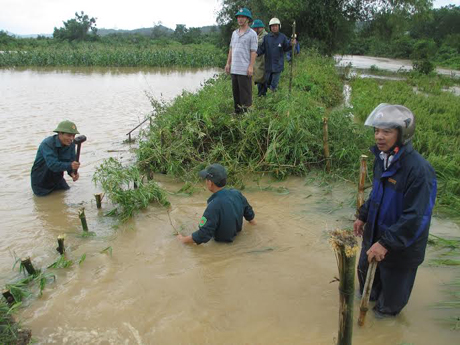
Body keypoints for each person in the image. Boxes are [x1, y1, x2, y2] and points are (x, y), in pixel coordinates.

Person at [354, 104, 437, 317]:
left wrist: (385, 243)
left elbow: (416, 217)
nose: (379, 137)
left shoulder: (419, 170)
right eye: (376, 131)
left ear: (402, 134)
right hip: (374, 240)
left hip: (400, 250)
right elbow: (377, 195)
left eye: (386, 132)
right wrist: (362, 216)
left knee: (386, 311)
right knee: (365, 293)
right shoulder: (382, 160)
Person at [177, 163, 256, 244]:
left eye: (206, 179)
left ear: (210, 183)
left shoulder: (213, 205)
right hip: (238, 240)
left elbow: (203, 235)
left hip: (222, 246)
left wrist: (182, 239)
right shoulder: (237, 194)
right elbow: (250, 215)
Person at [31, 120, 81, 196]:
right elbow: (53, 165)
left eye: (73, 135)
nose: (71, 138)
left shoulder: (71, 144)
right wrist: (71, 165)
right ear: (60, 133)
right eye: (69, 135)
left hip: (57, 179)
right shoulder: (47, 144)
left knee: (65, 196)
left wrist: (72, 173)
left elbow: (71, 161)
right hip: (41, 182)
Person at [225, 8, 258, 114]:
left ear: (248, 19)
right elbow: (231, 49)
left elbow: (253, 51)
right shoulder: (234, 33)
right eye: (239, 17)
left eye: (243, 17)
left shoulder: (252, 34)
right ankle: (237, 113)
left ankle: (246, 116)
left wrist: (251, 66)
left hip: (245, 69)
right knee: (236, 93)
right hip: (234, 68)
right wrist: (228, 63)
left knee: (245, 94)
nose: (240, 19)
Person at [257, 18, 294, 92]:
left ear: (279, 26)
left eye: (276, 26)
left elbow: (286, 48)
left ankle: (273, 98)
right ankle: (264, 97)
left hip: (278, 66)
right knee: (266, 83)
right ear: (270, 27)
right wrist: (254, 54)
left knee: (274, 85)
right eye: (272, 26)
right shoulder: (266, 38)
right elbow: (262, 49)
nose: (274, 27)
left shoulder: (282, 37)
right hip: (268, 66)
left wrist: (291, 44)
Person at [251, 19, 268, 97]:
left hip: (263, 61)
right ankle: (260, 94)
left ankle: (262, 95)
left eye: (255, 28)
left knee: (262, 79)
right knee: (258, 78)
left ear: (260, 28)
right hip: (258, 62)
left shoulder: (265, 35)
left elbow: (258, 43)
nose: (254, 30)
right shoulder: (257, 36)